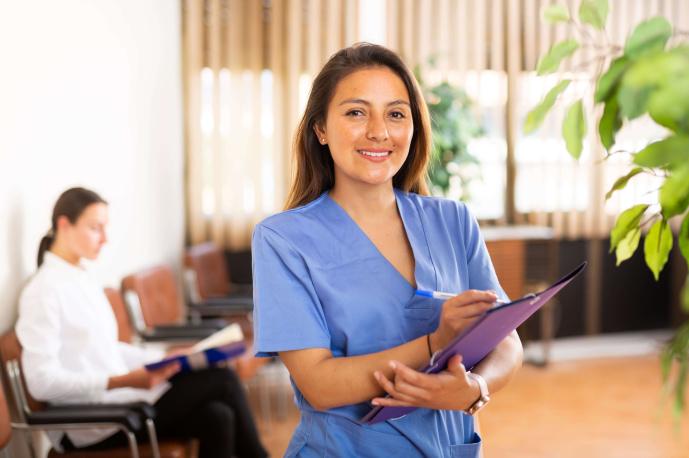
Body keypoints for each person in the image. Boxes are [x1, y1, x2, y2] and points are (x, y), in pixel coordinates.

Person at [252, 43, 524, 457]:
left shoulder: (453, 221)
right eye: (356, 112)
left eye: (396, 114)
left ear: (413, 128)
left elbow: (506, 338)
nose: (379, 131)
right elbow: (318, 385)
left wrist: (475, 387)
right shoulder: (283, 240)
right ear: (320, 129)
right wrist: (434, 344)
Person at [17, 187, 268, 458]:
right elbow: (41, 382)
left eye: (105, 228)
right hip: (92, 422)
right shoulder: (43, 291)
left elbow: (107, 348)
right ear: (64, 225)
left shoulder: (80, 278)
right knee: (224, 379)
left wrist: (164, 357)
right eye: (95, 228)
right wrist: (122, 380)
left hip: (119, 400)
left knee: (218, 417)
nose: (105, 239)